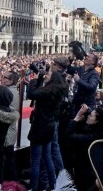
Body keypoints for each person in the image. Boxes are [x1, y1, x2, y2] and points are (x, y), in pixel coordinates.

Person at [26, 57, 70, 191]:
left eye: (49, 73)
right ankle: (53, 185)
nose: (47, 74)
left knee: (36, 160)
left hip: (41, 126)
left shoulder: (48, 91)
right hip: (50, 124)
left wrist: (35, 79)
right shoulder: (58, 88)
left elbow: (32, 94)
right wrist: (41, 80)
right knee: (47, 157)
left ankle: (34, 187)